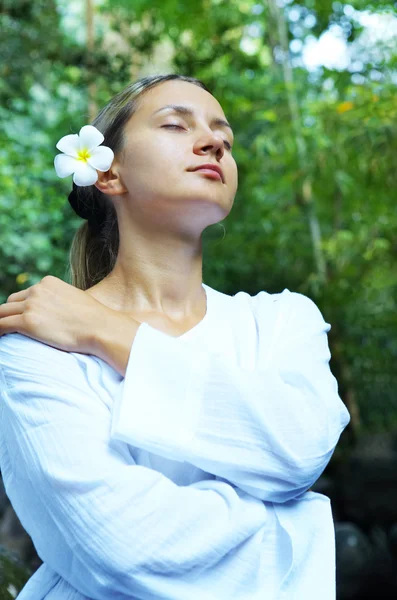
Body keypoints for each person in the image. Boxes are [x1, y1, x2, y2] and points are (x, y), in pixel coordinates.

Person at [0, 73, 350, 599]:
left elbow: (299, 449)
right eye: (174, 125)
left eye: (224, 139)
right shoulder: (34, 342)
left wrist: (105, 331)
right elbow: (121, 548)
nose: (214, 143)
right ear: (108, 173)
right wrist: (297, 531)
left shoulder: (283, 320)